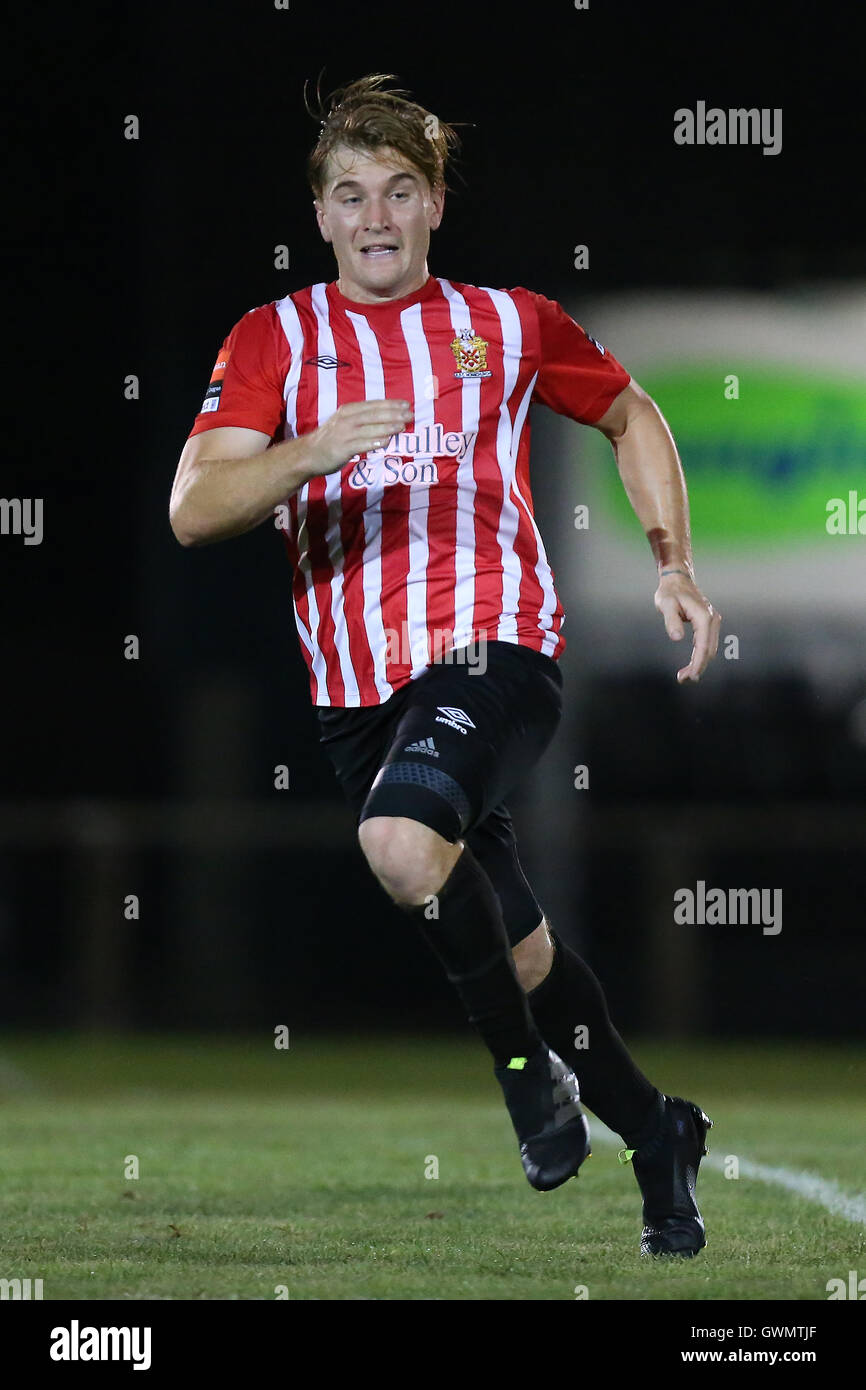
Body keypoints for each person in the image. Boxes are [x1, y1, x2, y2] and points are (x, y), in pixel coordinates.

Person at [169, 73, 721, 1257]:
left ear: (433, 206)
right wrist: (309, 450)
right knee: (517, 948)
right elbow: (196, 505)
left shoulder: (508, 324)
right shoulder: (273, 339)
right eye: (351, 194)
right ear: (319, 215)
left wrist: (670, 560)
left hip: (492, 648)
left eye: (401, 190)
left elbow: (630, 413)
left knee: (396, 842)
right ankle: (655, 1128)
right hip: (356, 694)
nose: (377, 215)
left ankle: (525, 1076)